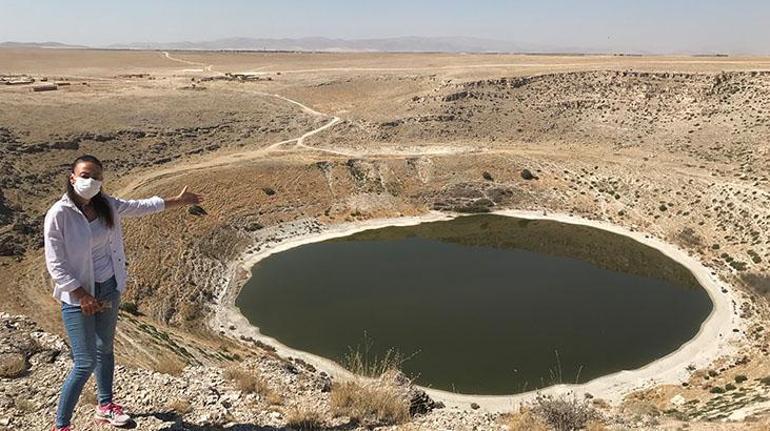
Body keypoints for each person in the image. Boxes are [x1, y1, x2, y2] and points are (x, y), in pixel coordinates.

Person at [44, 155, 202, 430]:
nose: (91, 181)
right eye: (85, 175)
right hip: (78, 297)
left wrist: (177, 201)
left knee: (105, 350)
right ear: (72, 177)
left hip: (108, 287)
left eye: (97, 176)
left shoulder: (106, 205)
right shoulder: (59, 214)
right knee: (84, 362)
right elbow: (55, 264)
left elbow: (139, 207)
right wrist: (82, 296)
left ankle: (105, 406)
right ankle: (61, 425)